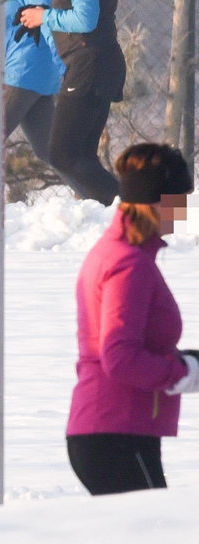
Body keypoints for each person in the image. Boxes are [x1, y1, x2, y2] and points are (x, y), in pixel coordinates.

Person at [68, 143, 197, 496]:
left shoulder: (124, 253)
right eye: (180, 199)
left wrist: (184, 362)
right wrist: (183, 373)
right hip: (114, 433)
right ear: (156, 201)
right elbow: (120, 357)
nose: (184, 210)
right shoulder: (128, 264)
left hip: (119, 430)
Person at [19, 0, 125, 205]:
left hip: (90, 64)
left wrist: (45, 16)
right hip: (95, 63)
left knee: (63, 156)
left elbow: (85, 19)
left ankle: (141, 211)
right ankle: (138, 214)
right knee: (82, 155)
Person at [0, 0, 63, 163]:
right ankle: (111, 191)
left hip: (24, 71)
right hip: (31, 75)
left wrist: (64, 63)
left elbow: (46, 17)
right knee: (53, 154)